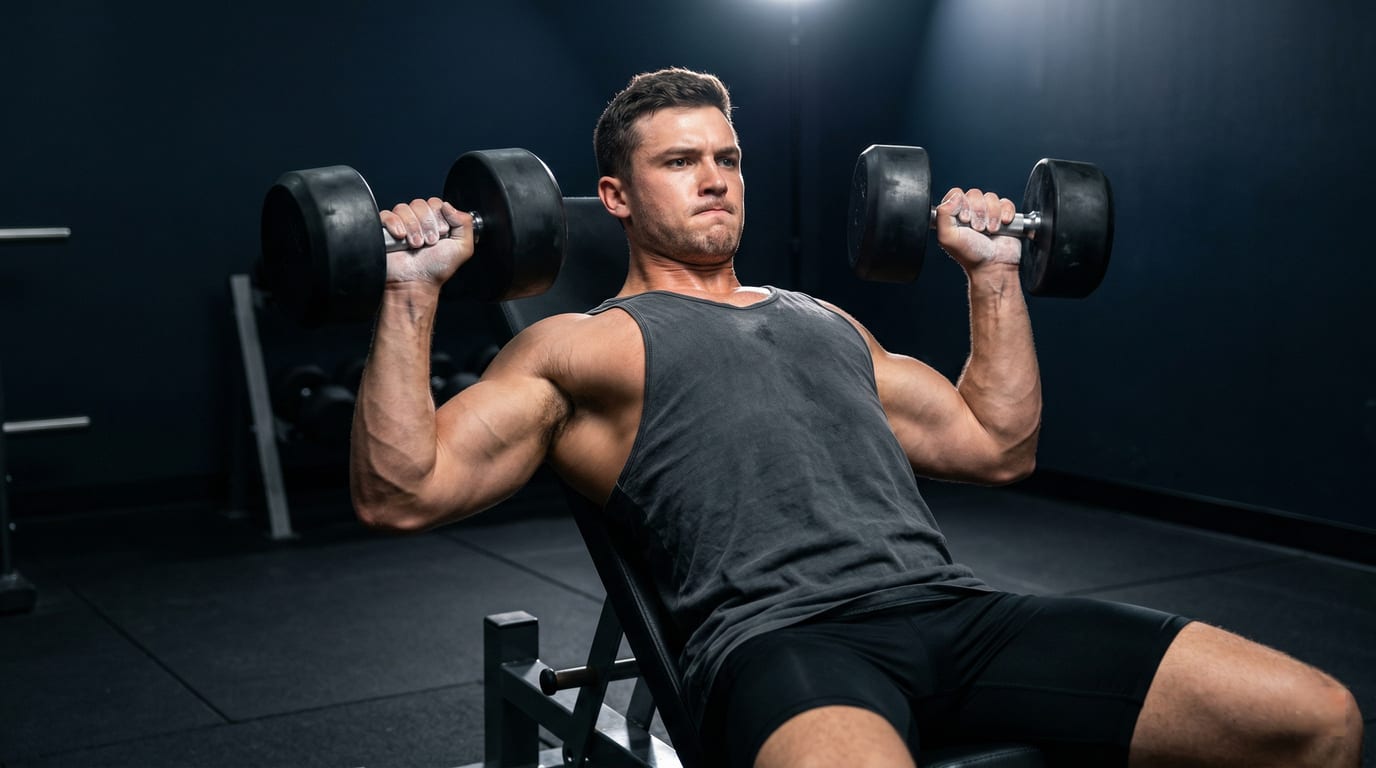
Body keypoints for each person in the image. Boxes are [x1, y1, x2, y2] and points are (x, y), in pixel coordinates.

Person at [349, 68, 1362, 767]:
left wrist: (994, 271)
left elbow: (993, 446)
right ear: (613, 194)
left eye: (728, 158)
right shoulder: (579, 342)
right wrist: (408, 289)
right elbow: (402, 493)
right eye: (678, 162)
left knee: (1310, 722)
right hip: (781, 643)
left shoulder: (825, 319)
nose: (713, 179)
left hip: (954, 612)